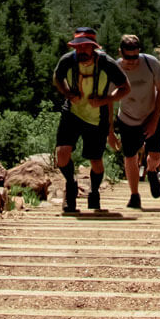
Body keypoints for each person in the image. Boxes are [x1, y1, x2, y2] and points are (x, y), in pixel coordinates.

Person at [53, 28, 130, 212]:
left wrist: (105, 100)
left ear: (93, 48)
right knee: (62, 154)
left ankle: (94, 191)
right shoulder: (67, 60)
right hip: (72, 113)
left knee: (96, 161)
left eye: (85, 47)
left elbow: (125, 88)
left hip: (97, 118)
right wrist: (67, 93)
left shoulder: (106, 63)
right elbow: (57, 77)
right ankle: (70, 186)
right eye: (77, 47)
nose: (81, 51)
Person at [108, 34, 160, 209]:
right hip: (127, 118)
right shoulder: (115, 69)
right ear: (120, 53)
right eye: (127, 57)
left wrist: (155, 119)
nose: (132, 61)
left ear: (139, 52)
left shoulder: (151, 64)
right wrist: (110, 132)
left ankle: (151, 170)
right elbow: (108, 101)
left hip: (150, 114)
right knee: (130, 156)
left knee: (155, 156)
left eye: (134, 57)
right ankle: (134, 195)